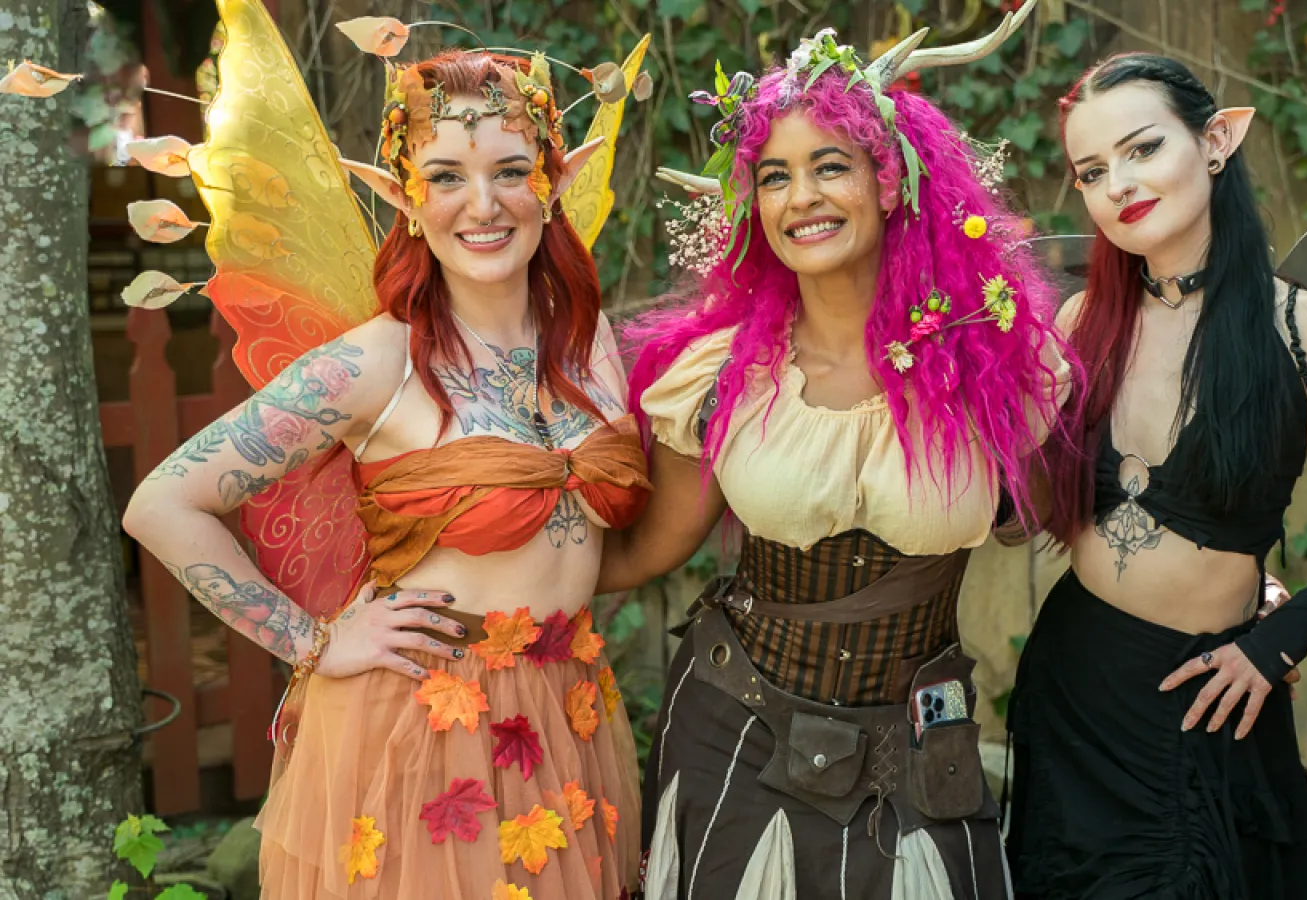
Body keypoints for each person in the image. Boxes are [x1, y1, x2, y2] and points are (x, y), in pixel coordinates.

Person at [123, 49, 647, 899]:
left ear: (553, 180)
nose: (482, 206)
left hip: (566, 709)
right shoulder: (380, 362)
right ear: (405, 197)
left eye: (511, 169)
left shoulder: (584, 342)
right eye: (446, 176)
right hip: (426, 731)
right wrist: (317, 642)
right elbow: (163, 502)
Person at [596, 9, 1080, 898]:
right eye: (774, 177)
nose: (801, 198)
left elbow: (1074, 517)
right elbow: (644, 552)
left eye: (830, 166)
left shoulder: (996, 362)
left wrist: (1231, 578)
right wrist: (491, 598)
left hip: (920, 749)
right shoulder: (719, 377)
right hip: (734, 736)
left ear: (890, 180)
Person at [1005, 53, 1307, 898]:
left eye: (1143, 148)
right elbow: (1021, 513)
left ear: (1218, 139)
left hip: (1216, 697)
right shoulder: (1081, 323)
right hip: (1077, 695)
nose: (1119, 183)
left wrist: (1276, 641)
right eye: (1092, 171)